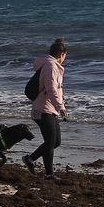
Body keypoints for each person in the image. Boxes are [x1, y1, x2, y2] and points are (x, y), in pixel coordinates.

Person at [23, 37, 68, 180]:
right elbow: (51, 88)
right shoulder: (51, 66)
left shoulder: (51, 65)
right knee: (50, 142)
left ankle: (30, 159)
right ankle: (49, 174)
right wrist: (60, 106)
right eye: (65, 56)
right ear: (62, 54)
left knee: (56, 142)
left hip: (49, 108)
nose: (65, 59)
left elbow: (56, 89)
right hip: (43, 109)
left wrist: (60, 104)